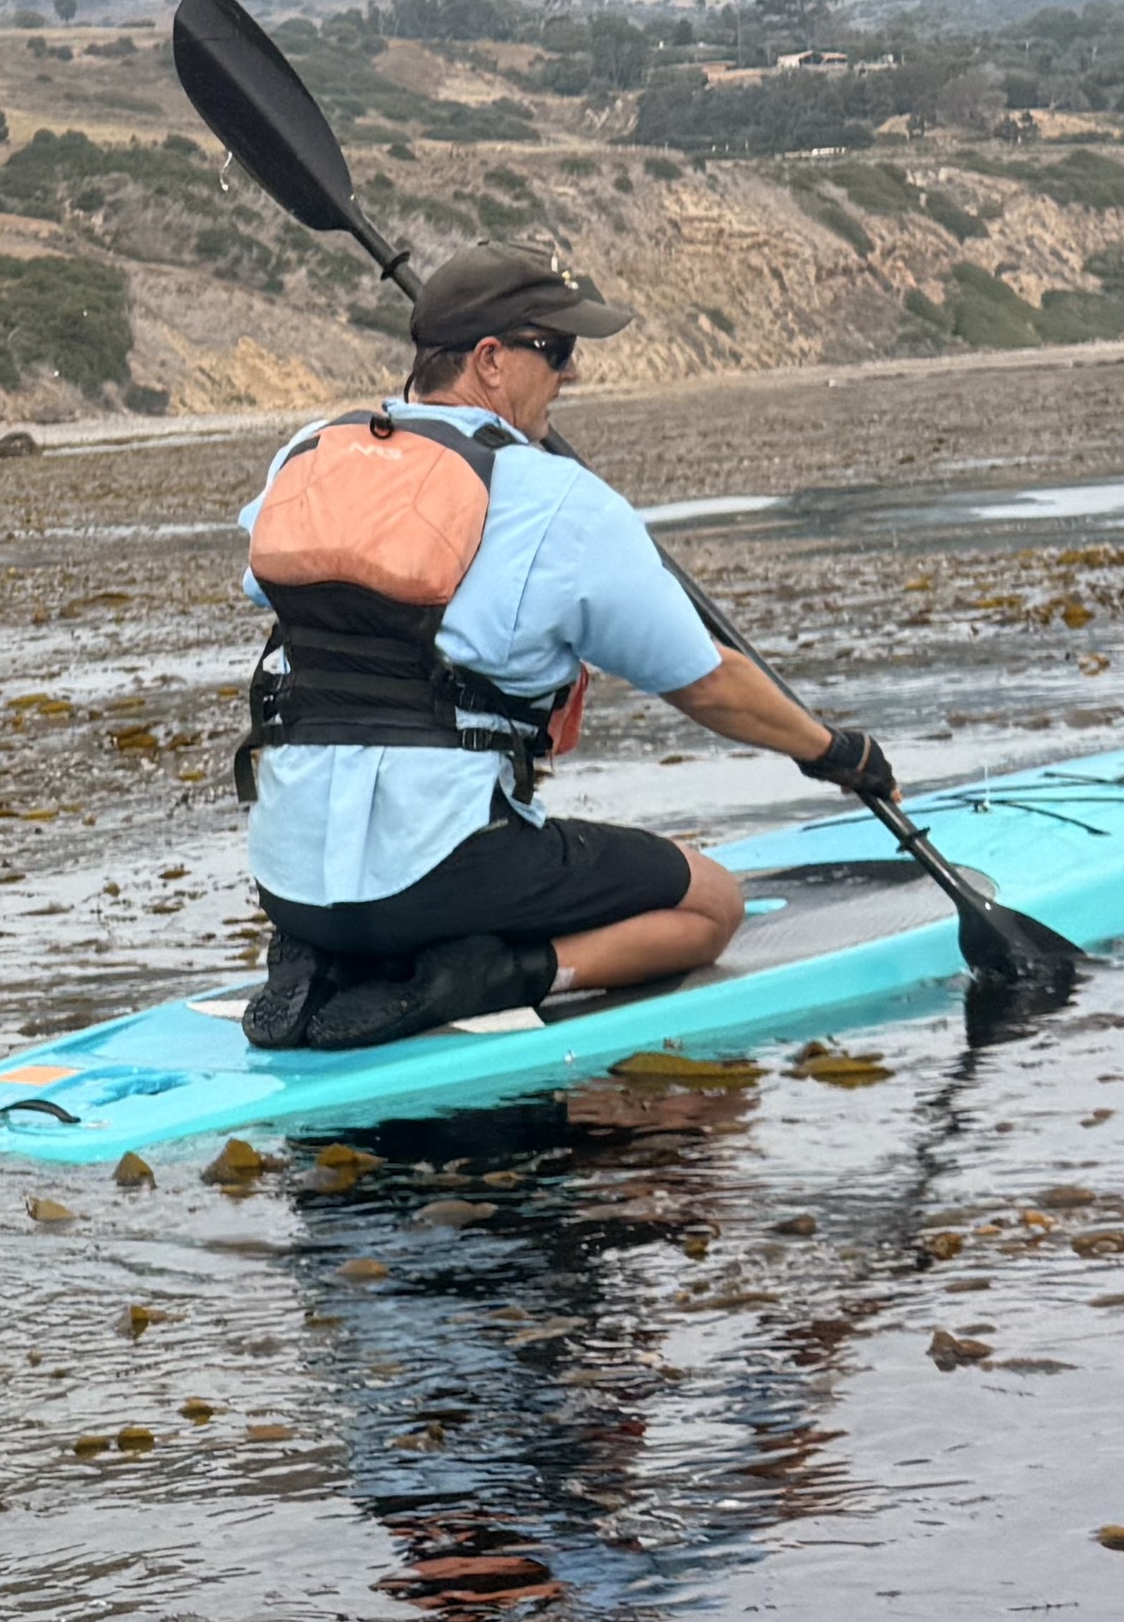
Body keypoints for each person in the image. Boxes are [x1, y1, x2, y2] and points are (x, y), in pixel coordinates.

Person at [229, 243, 892, 1052]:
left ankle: (334, 957)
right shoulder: (561, 501)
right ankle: (497, 976)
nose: (571, 373)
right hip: (436, 875)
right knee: (711, 905)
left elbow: (274, 585)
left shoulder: (307, 454)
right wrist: (831, 749)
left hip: (287, 879)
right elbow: (706, 682)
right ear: (490, 361)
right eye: (559, 351)